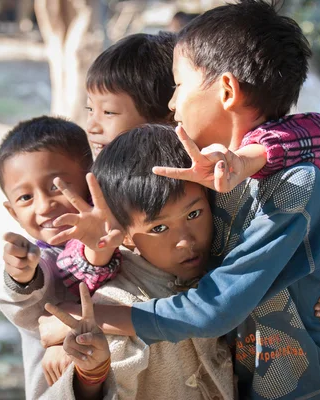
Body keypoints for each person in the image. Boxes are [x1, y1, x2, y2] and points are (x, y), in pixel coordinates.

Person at [51, 1, 320, 399]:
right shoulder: (200, 178)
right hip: (238, 380)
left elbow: (214, 309)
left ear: (227, 90)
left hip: (305, 389)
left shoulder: (292, 183)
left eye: (179, 86)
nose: (173, 104)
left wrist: (86, 318)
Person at [44, 126, 236, 399]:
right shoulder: (119, 303)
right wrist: (92, 376)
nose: (185, 241)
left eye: (194, 214)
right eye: (159, 228)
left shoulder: (227, 259)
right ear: (125, 236)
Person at [0, 116, 121, 399]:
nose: (44, 205)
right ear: (12, 212)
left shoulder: (122, 237)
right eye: (25, 197)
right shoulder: (42, 260)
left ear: (92, 182)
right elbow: (25, 308)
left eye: (56, 186)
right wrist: (21, 275)